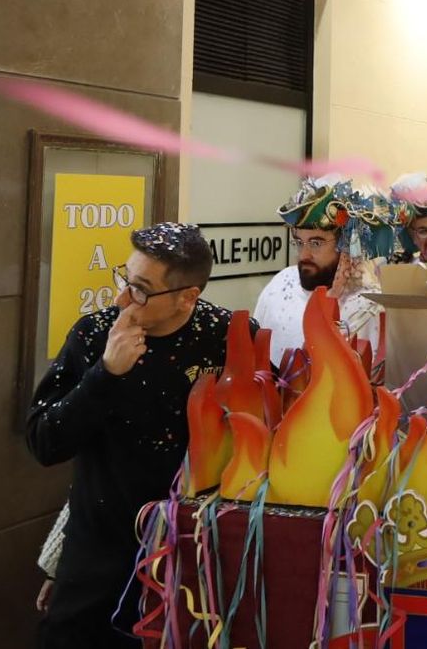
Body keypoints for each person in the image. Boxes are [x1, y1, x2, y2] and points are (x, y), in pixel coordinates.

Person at [26, 223, 235, 649]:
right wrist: (105, 374)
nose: (122, 298)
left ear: (187, 298)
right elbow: (44, 442)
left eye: (140, 290)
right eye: (125, 279)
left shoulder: (225, 335)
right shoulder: (94, 334)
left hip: (188, 555)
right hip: (97, 553)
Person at [253, 174, 397, 367]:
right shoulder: (280, 283)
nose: (304, 255)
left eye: (316, 243)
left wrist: (331, 300)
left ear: (346, 247)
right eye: (299, 242)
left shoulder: (369, 304)